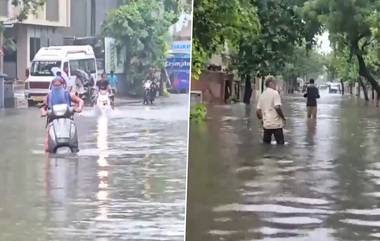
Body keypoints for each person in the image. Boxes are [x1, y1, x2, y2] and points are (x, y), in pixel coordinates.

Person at [40, 76, 84, 152]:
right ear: (52, 85)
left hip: (67, 120)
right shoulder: (49, 96)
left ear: (63, 85)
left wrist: (79, 108)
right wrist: (43, 112)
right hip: (52, 121)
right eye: (55, 85)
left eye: (59, 84)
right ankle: (48, 162)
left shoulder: (68, 94)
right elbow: (42, 107)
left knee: (74, 141)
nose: (57, 86)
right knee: (47, 147)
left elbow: (80, 101)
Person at [256, 75, 286, 145]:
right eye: (275, 83)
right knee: (281, 146)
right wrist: (283, 117)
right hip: (276, 125)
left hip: (266, 125)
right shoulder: (275, 93)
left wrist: (261, 119)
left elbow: (257, 111)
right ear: (270, 83)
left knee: (265, 145)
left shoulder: (262, 95)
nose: (276, 85)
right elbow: (277, 107)